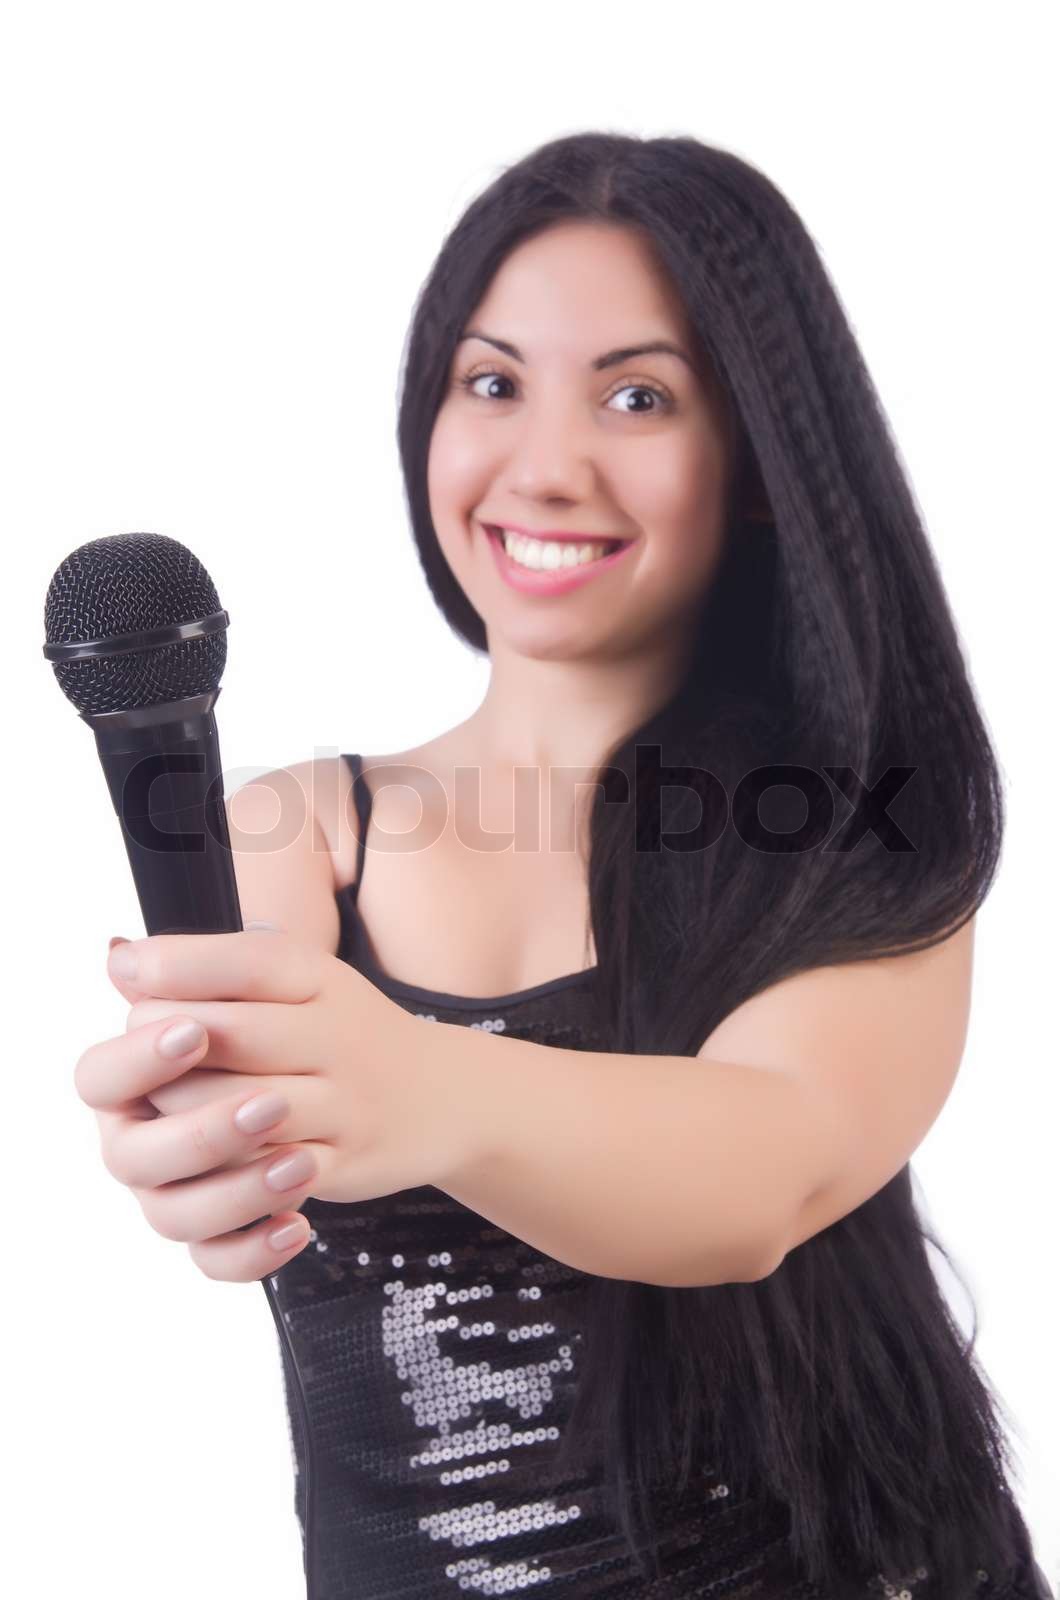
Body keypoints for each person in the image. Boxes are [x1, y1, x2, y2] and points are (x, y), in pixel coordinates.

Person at [77, 132, 1053, 1598]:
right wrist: (195, 1147)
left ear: (762, 460)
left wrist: (419, 1085)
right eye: (492, 384)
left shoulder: (862, 823)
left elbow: (765, 1171)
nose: (543, 466)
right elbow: (235, 1118)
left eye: (638, 396)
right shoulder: (302, 838)